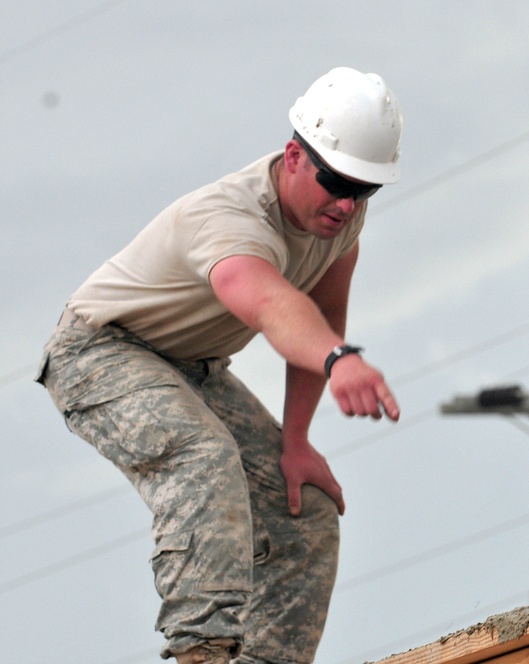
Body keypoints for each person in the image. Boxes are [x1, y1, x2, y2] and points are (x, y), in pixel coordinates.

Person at [36, 66, 403, 663]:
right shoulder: (230, 218)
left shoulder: (342, 227)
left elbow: (322, 315)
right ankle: (201, 652)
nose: (345, 203)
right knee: (203, 457)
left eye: (364, 189)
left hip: (193, 368)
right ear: (293, 156)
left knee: (304, 508)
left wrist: (298, 440)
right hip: (99, 353)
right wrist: (339, 361)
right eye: (335, 181)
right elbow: (269, 303)